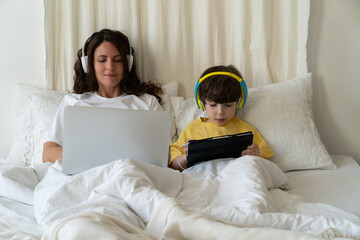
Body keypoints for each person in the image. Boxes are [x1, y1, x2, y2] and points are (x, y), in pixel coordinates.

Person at [42, 29, 163, 163]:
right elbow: (48, 153)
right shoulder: (73, 103)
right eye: (102, 60)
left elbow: (163, 156)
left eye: (117, 60)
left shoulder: (147, 103)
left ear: (127, 64)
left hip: (130, 173)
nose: (110, 67)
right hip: (86, 174)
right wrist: (89, 158)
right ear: (89, 65)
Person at [169, 65, 273, 171]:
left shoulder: (247, 131)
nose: (220, 112)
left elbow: (267, 166)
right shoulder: (192, 129)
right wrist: (186, 157)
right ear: (202, 104)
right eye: (213, 105)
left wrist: (257, 154)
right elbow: (173, 166)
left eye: (228, 105)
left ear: (239, 103)